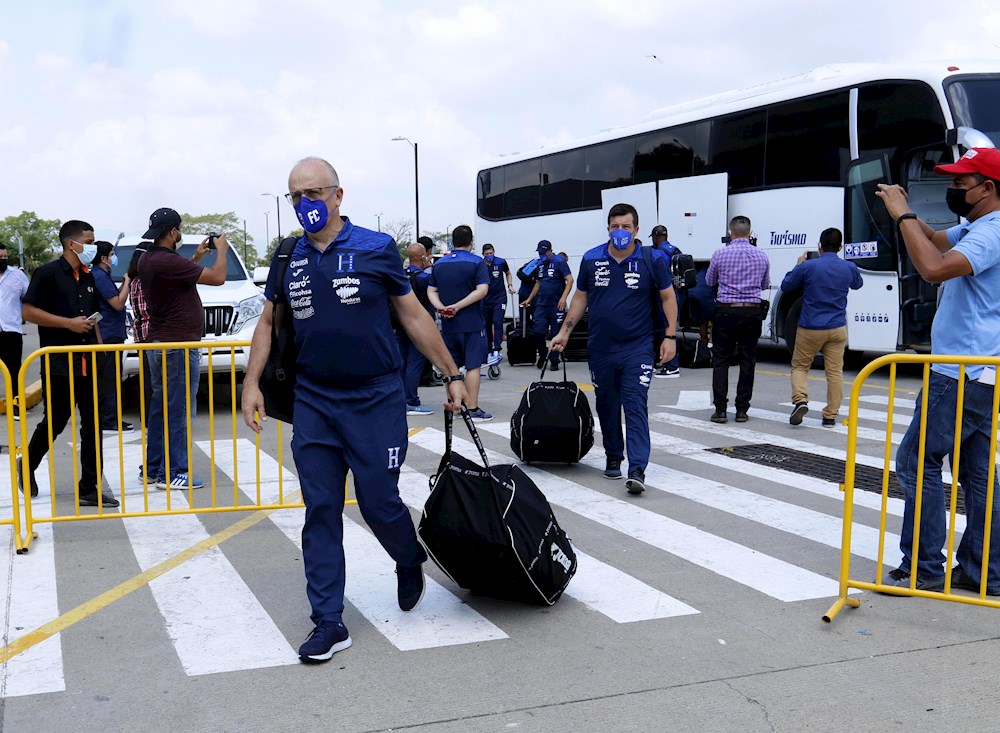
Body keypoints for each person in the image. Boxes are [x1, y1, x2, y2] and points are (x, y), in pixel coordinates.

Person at [241, 156, 468, 663]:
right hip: (314, 401)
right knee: (320, 508)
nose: (305, 203)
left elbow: (413, 316)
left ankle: (408, 557)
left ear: (338, 195)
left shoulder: (376, 247)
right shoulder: (288, 257)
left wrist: (451, 374)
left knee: (378, 501)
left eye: (314, 193)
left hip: (375, 398)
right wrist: (251, 383)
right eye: (296, 195)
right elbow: (269, 323)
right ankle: (328, 620)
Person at [875, 147, 1000, 594]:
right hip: (982, 369)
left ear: (987, 189)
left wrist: (903, 213)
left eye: (960, 183)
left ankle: (922, 568)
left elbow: (932, 268)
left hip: (960, 370)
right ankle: (985, 570)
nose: (951, 188)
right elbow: (932, 239)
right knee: (978, 474)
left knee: (916, 462)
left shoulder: (991, 232)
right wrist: (904, 213)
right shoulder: (976, 226)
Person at [550, 203, 677, 496]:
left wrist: (670, 336)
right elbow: (580, 298)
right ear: (608, 228)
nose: (620, 231)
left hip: (638, 347)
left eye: (626, 227)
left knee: (635, 403)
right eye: (615, 226)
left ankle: (637, 469)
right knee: (606, 404)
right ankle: (613, 455)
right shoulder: (592, 258)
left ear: (636, 230)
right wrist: (564, 332)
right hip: (601, 348)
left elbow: (668, 297)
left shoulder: (652, 259)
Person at [20, 220, 117, 507]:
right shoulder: (47, 273)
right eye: (89, 242)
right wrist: (68, 324)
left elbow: (94, 319)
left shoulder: (88, 276)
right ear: (70, 243)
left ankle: (89, 487)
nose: (93, 247)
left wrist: (101, 353)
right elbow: (28, 311)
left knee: (93, 423)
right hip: (59, 363)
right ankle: (27, 464)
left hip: (90, 361)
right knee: (57, 419)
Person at [139, 208, 228, 491]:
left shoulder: (148, 258)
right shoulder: (167, 260)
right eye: (179, 229)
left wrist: (196, 258)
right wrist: (222, 251)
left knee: (160, 409)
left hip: (160, 343)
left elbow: (176, 275)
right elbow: (218, 277)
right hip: (177, 345)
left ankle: (153, 468)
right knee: (178, 411)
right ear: (173, 231)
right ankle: (173, 472)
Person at [780, 228, 863, 428]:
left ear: (820, 246)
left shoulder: (808, 266)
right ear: (840, 247)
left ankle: (801, 400)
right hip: (837, 328)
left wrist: (798, 265)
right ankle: (830, 416)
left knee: (800, 367)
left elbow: (786, 285)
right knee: (834, 372)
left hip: (810, 326)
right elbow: (857, 284)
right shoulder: (849, 267)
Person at [706, 216, 770, 424]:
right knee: (747, 361)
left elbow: (709, 280)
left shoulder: (720, 254)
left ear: (730, 232)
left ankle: (720, 410)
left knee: (721, 360)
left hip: (725, 311)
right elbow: (765, 284)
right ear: (750, 232)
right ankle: (742, 409)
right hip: (752, 312)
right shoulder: (761, 255)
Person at [428, 225, 494, 421]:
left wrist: (442, 308)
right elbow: (482, 290)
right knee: (473, 366)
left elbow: (431, 290)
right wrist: (457, 306)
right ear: (471, 242)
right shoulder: (477, 262)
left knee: (451, 367)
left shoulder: (439, 264)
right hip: (472, 322)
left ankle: (454, 406)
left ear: (452, 242)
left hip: (448, 325)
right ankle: (472, 408)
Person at [92, 240, 134, 433]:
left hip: (111, 332)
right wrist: (128, 282)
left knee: (111, 377)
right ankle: (109, 420)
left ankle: (110, 417)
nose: (114, 258)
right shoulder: (100, 276)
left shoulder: (102, 275)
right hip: (108, 334)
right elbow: (117, 303)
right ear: (103, 258)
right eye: (112, 254)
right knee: (109, 378)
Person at [521, 240, 572, 370]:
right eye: (540, 253)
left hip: (556, 304)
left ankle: (554, 360)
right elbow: (538, 283)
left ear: (550, 251)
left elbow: (570, 280)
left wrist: (563, 298)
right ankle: (543, 355)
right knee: (538, 330)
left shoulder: (559, 262)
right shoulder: (540, 264)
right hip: (542, 304)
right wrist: (529, 299)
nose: (541, 255)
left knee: (556, 332)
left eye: (544, 253)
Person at [397, 241, 435, 416]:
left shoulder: (401, 276)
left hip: (400, 323)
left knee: (403, 362)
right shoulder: (425, 278)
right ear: (423, 257)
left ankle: (401, 399)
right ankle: (412, 401)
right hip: (420, 325)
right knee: (415, 362)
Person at [0, 242, 29, 420]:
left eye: (5, 257)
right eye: (0, 257)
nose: (3, 260)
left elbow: (29, 297)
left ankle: (16, 405)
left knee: (13, 369)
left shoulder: (17, 275)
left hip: (11, 329)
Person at [649, 225, 682, 379]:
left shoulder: (657, 253)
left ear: (655, 237)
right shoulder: (675, 250)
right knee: (669, 328)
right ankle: (666, 362)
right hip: (674, 294)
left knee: (663, 330)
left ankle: (671, 366)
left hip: (661, 296)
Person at [126, 244, 154, 422]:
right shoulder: (146, 281)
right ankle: (154, 418)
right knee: (155, 381)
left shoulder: (134, 280)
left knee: (148, 379)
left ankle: (149, 417)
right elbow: (149, 310)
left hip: (141, 335)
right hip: (152, 335)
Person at [480, 243, 514, 363]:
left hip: (500, 298)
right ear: (483, 254)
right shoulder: (480, 265)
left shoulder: (500, 262)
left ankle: (497, 348)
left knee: (498, 321)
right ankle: (489, 348)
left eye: (491, 253)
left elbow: (508, 273)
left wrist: (510, 285)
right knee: (487, 324)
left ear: (494, 252)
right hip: (485, 299)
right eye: (487, 254)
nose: (490, 255)